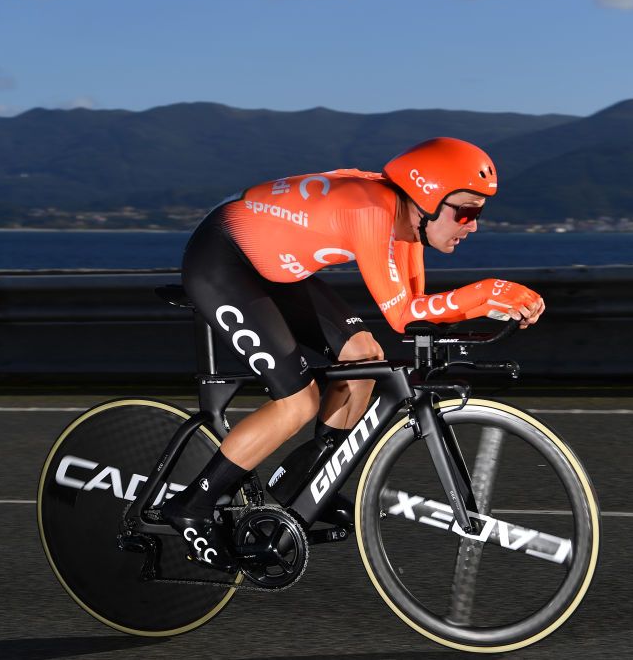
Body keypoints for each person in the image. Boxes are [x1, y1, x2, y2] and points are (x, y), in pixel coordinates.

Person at [161, 137, 545, 571]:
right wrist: (490, 290)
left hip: (271, 267)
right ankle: (192, 505)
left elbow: (418, 309)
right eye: (467, 211)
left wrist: (489, 306)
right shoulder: (372, 211)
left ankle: (306, 487)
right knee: (297, 402)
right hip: (222, 259)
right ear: (427, 198)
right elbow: (403, 315)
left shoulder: (405, 220)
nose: (473, 225)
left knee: (363, 358)